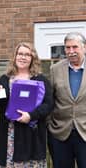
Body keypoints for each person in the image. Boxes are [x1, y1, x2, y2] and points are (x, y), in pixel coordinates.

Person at [0, 42, 53, 168]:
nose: (23, 57)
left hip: (31, 136)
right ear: (15, 56)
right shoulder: (4, 79)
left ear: (32, 59)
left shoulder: (40, 80)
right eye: (20, 54)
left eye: (27, 55)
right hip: (8, 136)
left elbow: (48, 105)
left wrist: (31, 115)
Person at [47, 32, 86, 168]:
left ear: (84, 48)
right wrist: (50, 126)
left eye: (75, 47)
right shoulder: (55, 69)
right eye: (67, 48)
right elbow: (49, 100)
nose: (71, 51)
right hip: (60, 134)